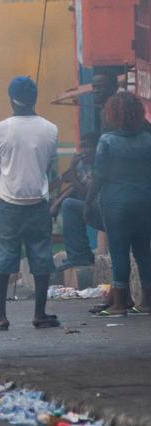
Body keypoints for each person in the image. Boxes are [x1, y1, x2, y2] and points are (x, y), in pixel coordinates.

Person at [0, 76, 60, 331]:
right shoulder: (51, 129)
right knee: (41, 257)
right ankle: (40, 314)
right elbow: (49, 166)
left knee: (3, 257)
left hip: (8, 202)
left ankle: (0, 316)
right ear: (35, 98)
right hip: (39, 202)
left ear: (11, 99)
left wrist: (2, 169)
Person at [89, 92, 151, 316]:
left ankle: (120, 303)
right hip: (145, 201)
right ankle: (147, 302)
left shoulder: (107, 141)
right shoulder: (147, 139)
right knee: (144, 252)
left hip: (116, 203)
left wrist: (88, 202)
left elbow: (99, 175)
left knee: (119, 251)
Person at [51, 134, 99, 271]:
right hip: (98, 210)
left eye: (88, 146)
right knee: (69, 203)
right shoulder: (83, 165)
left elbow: (85, 192)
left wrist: (72, 168)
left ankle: (79, 255)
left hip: (108, 212)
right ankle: (81, 254)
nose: (84, 150)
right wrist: (56, 203)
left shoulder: (99, 164)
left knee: (70, 206)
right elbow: (74, 187)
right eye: (81, 146)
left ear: (96, 148)